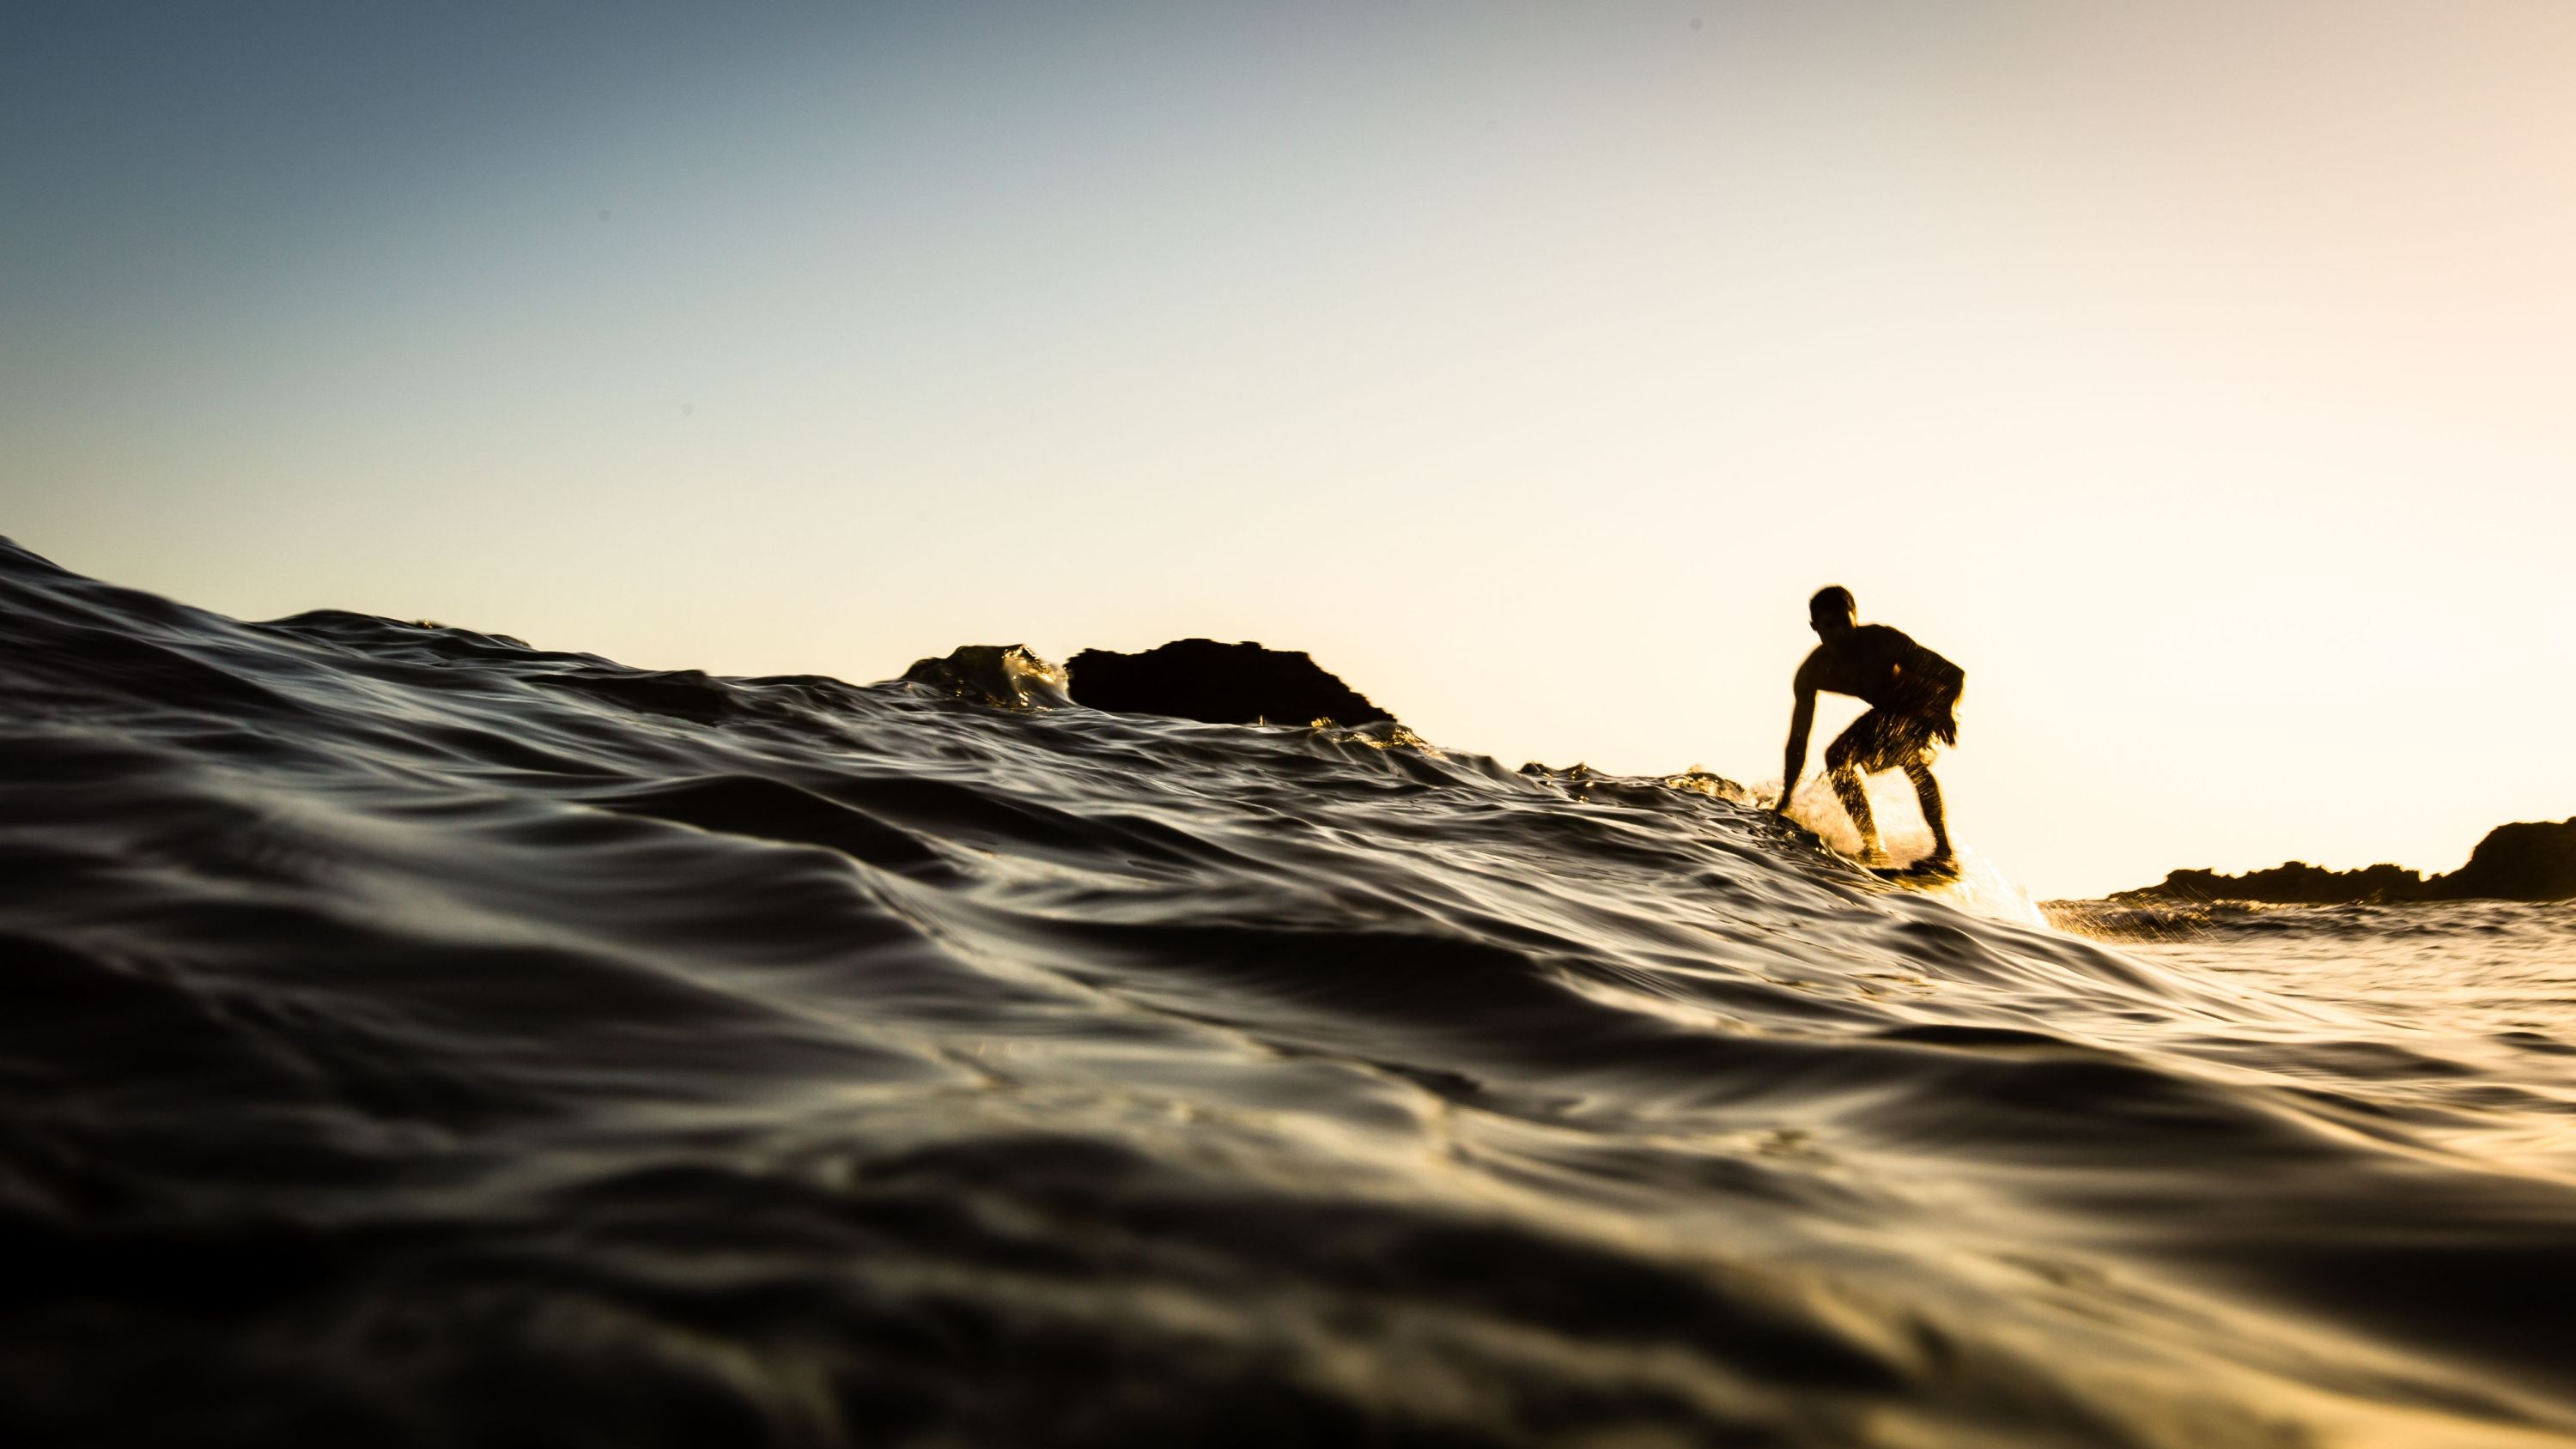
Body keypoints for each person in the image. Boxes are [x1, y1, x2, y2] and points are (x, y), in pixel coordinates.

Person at [1774, 585, 1965, 873]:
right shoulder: (1813, 672)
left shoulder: (1882, 642)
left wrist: (1946, 710)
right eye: (1830, 626)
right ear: (1815, 627)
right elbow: (1798, 739)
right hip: (1887, 715)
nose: (1839, 633)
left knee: (1907, 755)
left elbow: (1953, 674)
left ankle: (1944, 853)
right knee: (1837, 757)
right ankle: (1873, 847)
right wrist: (1787, 796)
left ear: (1856, 618)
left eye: (1844, 624)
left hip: (1931, 707)